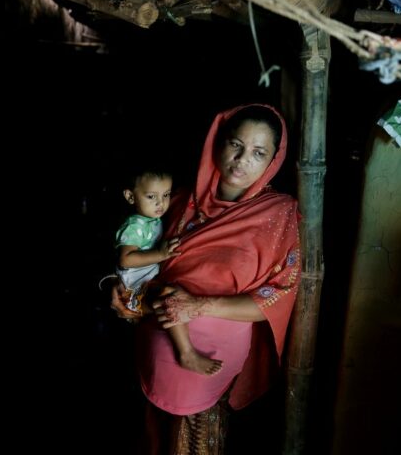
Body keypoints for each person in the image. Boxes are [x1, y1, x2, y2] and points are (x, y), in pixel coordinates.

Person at [110, 104, 301, 454]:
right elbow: (140, 260)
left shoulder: (279, 215)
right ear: (218, 143)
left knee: (197, 438)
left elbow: (279, 295)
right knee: (151, 434)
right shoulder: (180, 200)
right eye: (235, 144)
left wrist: (197, 305)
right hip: (157, 336)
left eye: (258, 153)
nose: (243, 159)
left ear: (274, 160)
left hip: (212, 349)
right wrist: (124, 290)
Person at [115, 167, 223, 376]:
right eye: (151, 196)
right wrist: (161, 254)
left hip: (145, 282)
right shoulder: (135, 225)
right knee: (170, 297)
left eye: (165, 195)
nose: (160, 203)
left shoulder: (151, 220)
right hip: (133, 288)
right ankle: (186, 354)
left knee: (168, 298)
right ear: (130, 196)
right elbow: (126, 259)